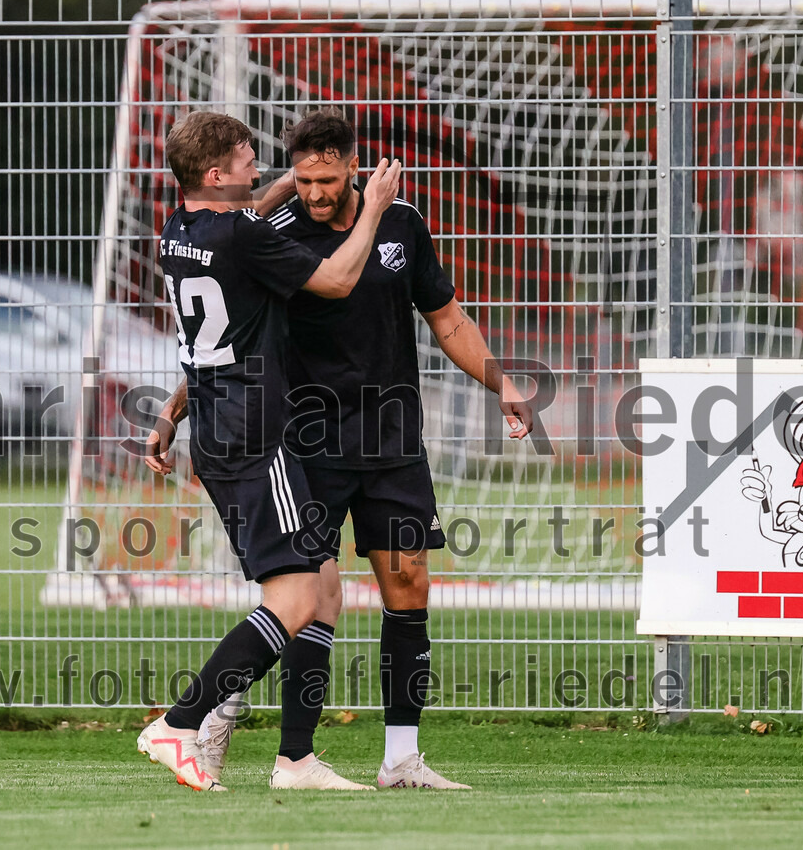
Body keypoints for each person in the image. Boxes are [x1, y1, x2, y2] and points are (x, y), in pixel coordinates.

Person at [147, 108, 531, 790]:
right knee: (311, 591)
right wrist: (174, 407)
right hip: (303, 440)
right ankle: (273, 744)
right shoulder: (269, 233)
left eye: (327, 178)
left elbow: (447, 317)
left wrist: (501, 383)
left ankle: (400, 759)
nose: (315, 191)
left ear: (354, 167)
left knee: (408, 584)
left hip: (390, 439)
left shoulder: (401, 226)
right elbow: (241, 325)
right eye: (303, 179)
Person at [136, 110, 401, 792]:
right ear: (217, 173)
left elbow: (243, 223)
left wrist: (171, 410)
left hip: (216, 427)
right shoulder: (244, 235)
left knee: (325, 583)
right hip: (256, 434)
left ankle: (297, 760)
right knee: (294, 595)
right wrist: (371, 207)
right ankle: (182, 721)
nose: (260, 167)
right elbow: (338, 279)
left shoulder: (180, 230)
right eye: (248, 158)